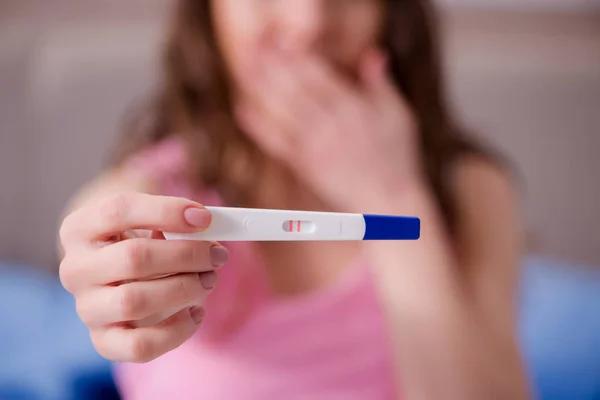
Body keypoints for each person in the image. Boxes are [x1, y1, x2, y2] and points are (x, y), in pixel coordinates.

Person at [58, 0, 531, 398]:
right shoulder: (159, 191)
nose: (310, 24)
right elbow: (106, 217)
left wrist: (394, 194)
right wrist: (109, 261)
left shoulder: (471, 190)